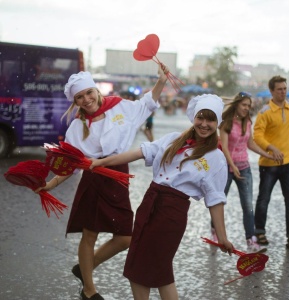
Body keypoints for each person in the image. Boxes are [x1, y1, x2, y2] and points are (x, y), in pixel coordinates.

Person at [35, 64, 169, 300]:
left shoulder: (121, 107)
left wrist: (161, 80)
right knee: (90, 235)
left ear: (96, 90)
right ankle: (89, 290)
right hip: (94, 179)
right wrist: (51, 184)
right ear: (75, 101)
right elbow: (71, 164)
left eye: (88, 93)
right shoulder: (77, 127)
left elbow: (147, 104)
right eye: (79, 97)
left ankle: (86, 268)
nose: (86, 99)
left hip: (119, 175)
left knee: (126, 237)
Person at [89, 94, 234, 300]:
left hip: (172, 213)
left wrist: (222, 237)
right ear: (194, 117)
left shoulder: (216, 158)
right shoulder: (174, 139)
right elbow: (139, 152)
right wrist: (102, 162)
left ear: (217, 122)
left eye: (210, 119)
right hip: (150, 203)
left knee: (156, 270)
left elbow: (216, 200)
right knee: (140, 269)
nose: (204, 124)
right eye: (200, 117)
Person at [211, 92, 273, 253]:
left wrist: (267, 154)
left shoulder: (247, 121)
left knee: (247, 205)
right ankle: (215, 231)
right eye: (244, 105)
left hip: (244, 167)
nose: (247, 108)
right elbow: (224, 147)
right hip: (226, 168)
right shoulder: (227, 123)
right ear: (237, 104)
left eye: (248, 106)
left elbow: (250, 143)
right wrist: (233, 166)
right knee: (219, 201)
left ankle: (251, 240)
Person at [253, 75, 289, 250]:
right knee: (264, 199)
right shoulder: (265, 112)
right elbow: (257, 136)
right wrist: (271, 148)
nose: (283, 92)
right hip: (268, 163)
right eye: (279, 89)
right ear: (272, 91)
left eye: (285, 88)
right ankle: (259, 232)